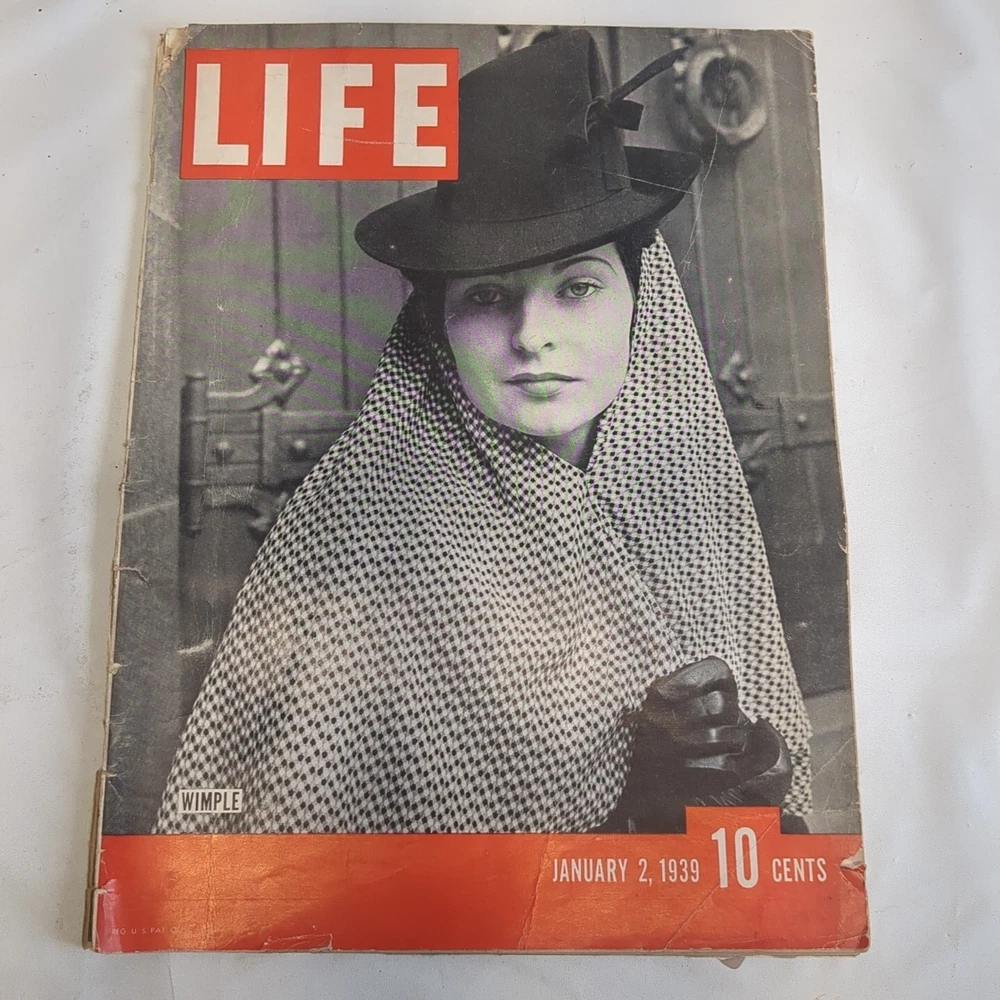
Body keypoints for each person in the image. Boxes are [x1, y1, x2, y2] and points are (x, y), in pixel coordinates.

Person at [154, 30, 811, 835]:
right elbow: (300, 857)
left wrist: (743, 779)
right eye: (488, 298)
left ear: (643, 307)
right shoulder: (362, 535)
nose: (533, 336)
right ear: (438, 327)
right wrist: (634, 818)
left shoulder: (687, 498)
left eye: (578, 288)